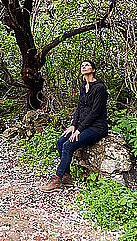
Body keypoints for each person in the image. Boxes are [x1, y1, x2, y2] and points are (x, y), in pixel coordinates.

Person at [39, 60, 108, 193]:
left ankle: (58, 179)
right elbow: (79, 108)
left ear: (93, 69)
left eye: (87, 65)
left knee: (68, 145)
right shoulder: (84, 86)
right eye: (82, 65)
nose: (84, 67)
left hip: (97, 127)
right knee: (61, 141)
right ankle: (67, 177)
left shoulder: (99, 88)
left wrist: (79, 130)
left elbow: (95, 112)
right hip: (84, 126)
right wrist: (73, 126)